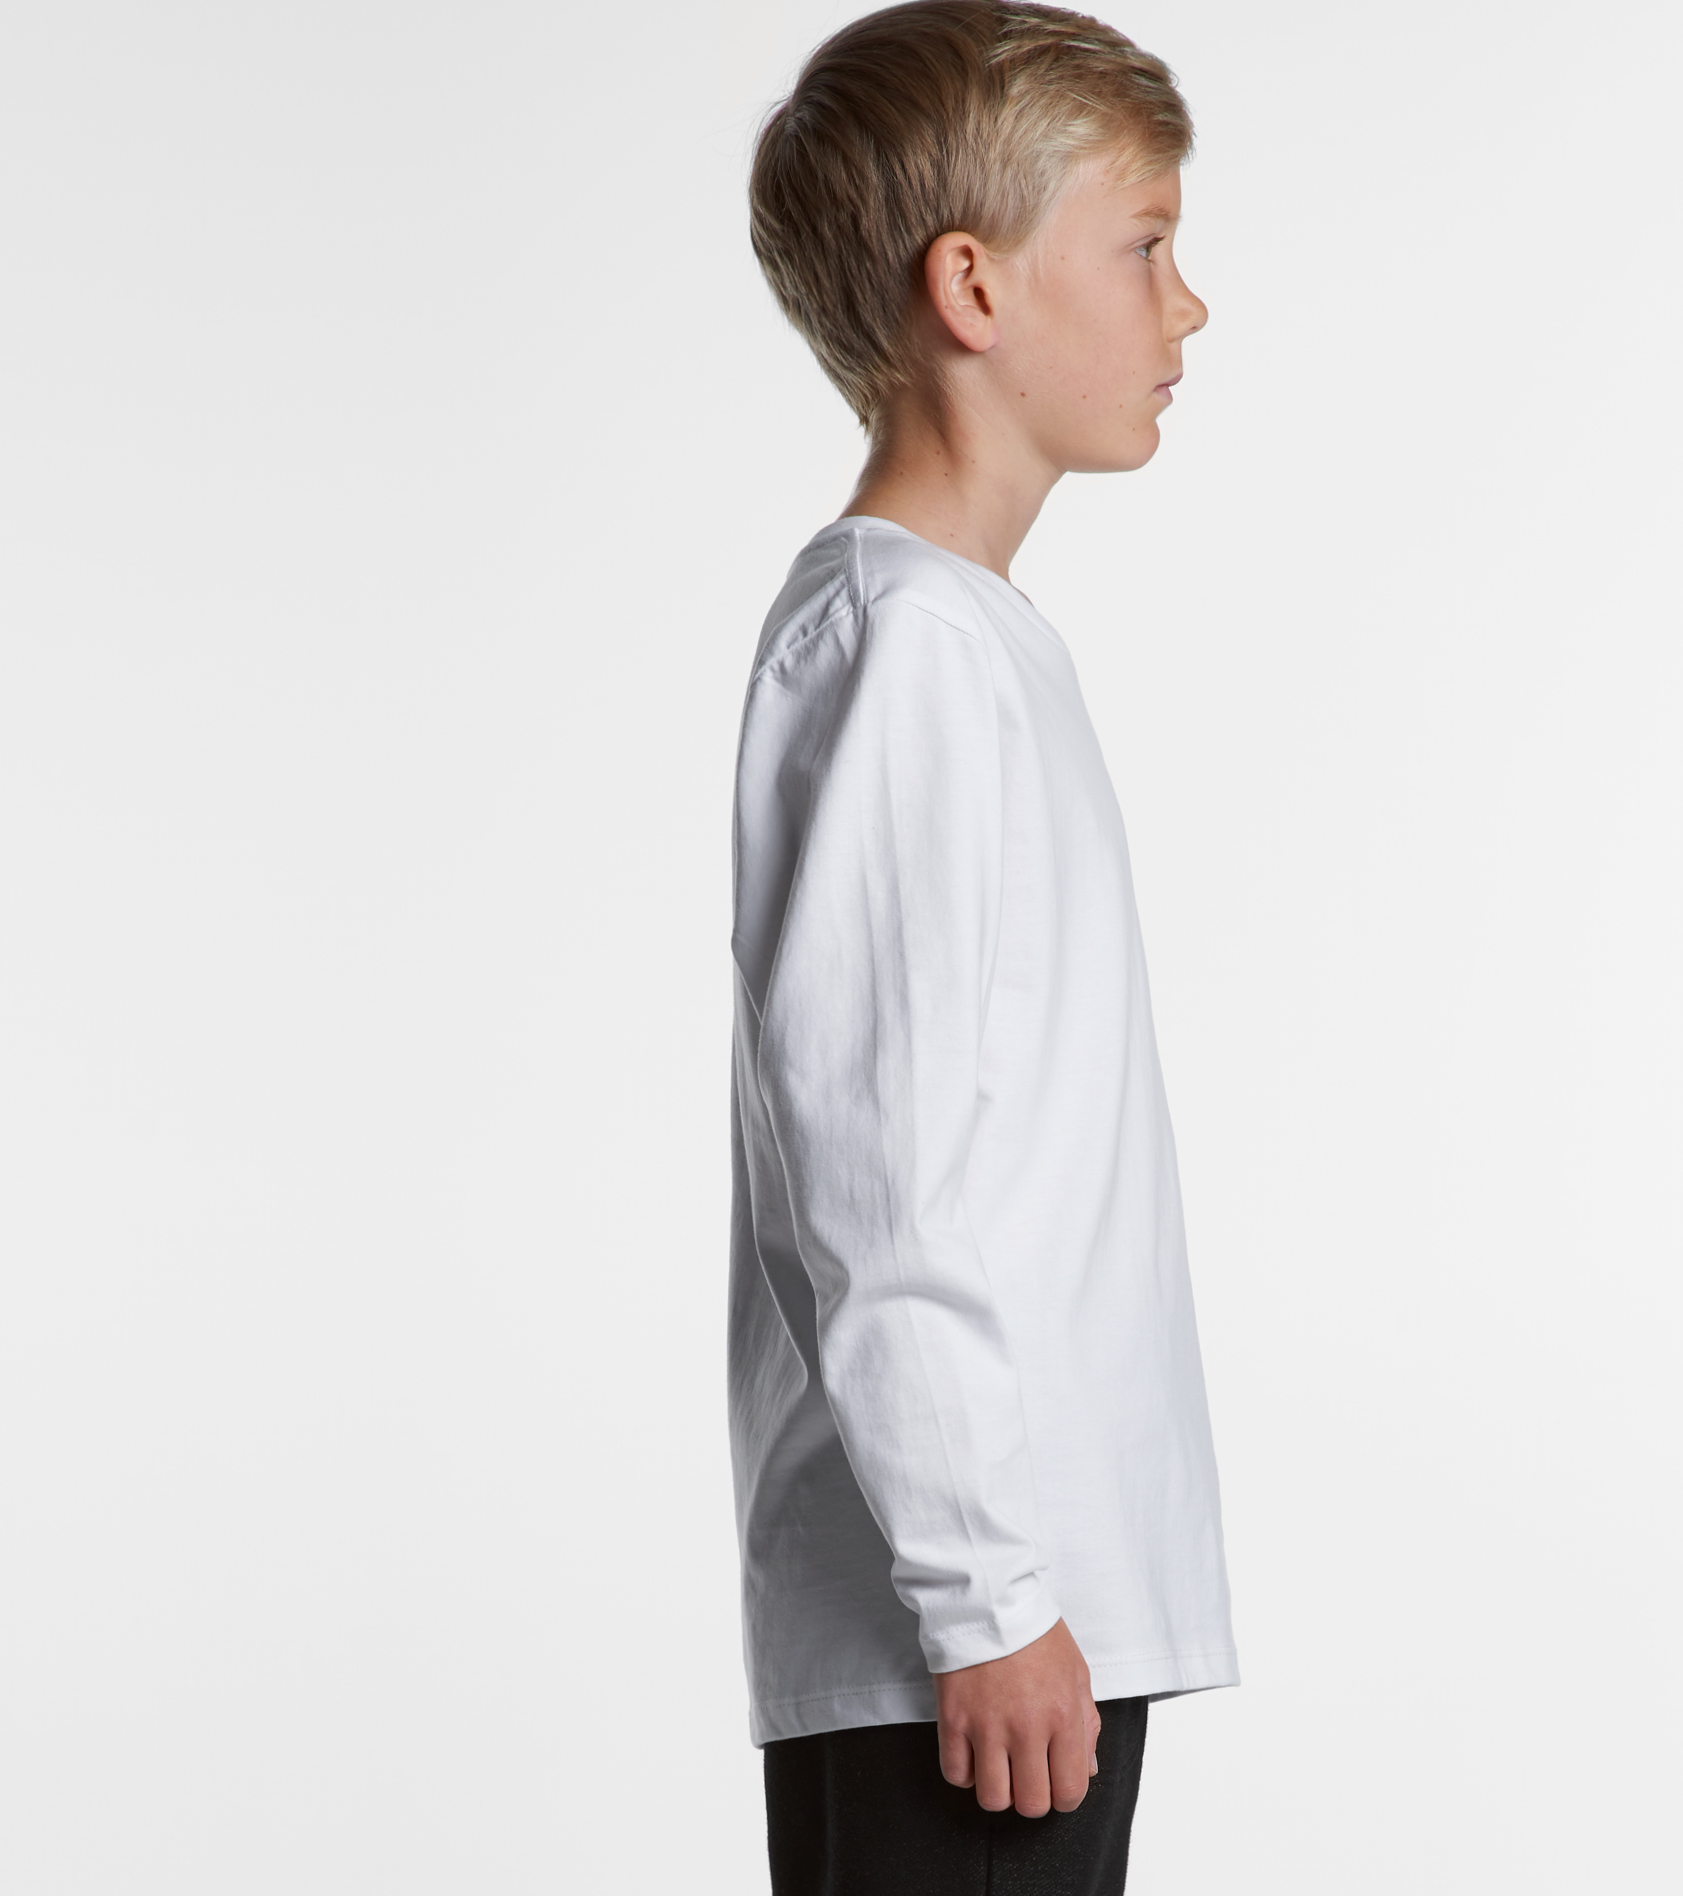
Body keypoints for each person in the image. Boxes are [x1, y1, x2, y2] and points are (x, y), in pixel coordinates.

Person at [728, 5, 1237, 1889]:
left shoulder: (962, 638)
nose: (1190, 306)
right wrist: (985, 1596)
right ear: (973, 286)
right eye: (1146, 244)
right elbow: (873, 1166)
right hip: (981, 1636)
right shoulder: (905, 649)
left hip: (1021, 1612)